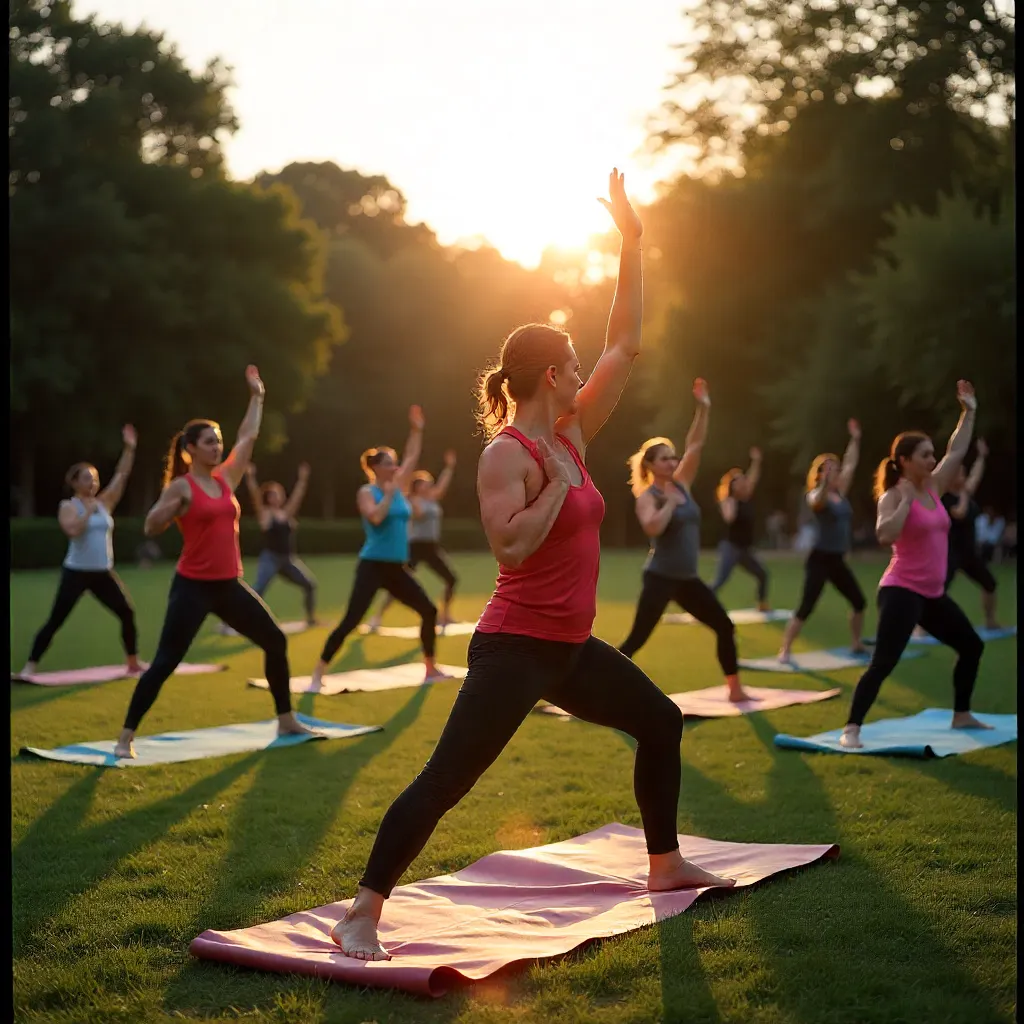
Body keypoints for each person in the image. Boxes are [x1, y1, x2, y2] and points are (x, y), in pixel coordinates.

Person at [329, 169, 735, 963]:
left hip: (570, 647)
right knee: (448, 782)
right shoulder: (508, 456)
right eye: (574, 363)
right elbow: (511, 546)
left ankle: (664, 865)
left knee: (660, 720)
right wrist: (552, 485)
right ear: (551, 375)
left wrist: (633, 241)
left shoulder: (576, 435)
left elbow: (627, 340)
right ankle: (362, 913)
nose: (586, 370)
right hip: (513, 648)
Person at [114, 366, 316, 759]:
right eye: (208, 442)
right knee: (167, 662)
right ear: (190, 448)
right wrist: (167, 509)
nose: (216, 447)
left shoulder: (226, 479)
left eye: (217, 441)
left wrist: (257, 397)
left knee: (275, 641)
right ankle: (125, 737)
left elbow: (248, 436)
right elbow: (151, 526)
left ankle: (286, 719)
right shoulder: (181, 486)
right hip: (193, 587)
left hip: (228, 586)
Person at [840, 380, 990, 749]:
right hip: (901, 591)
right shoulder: (893, 495)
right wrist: (906, 502)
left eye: (931, 454)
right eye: (924, 455)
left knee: (972, 645)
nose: (932, 459)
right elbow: (884, 534)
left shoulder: (936, 487)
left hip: (933, 593)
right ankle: (851, 729)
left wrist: (968, 412)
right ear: (904, 461)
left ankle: (961, 714)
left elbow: (958, 449)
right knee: (885, 662)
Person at [618, 379, 752, 702]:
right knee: (636, 640)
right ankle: (597, 685)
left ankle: (734, 689)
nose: (672, 462)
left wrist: (703, 409)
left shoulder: (682, 485)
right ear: (650, 465)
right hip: (660, 577)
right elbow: (652, 528)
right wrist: (670, 508)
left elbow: (696, 445)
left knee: (724, 625)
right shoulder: (647, 496)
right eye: (664, 459)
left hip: (688, 579)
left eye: (672, 458)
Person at [311, 406, 451, 687]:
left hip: (396, 567)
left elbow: (412, 456)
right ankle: (318, 673)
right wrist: (387, 496)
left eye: (395, 463)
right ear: (375, 468)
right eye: (389, 463)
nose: (396, 467)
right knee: (351, 620)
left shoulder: (397, 487)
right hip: (373, 565)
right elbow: (375, 518)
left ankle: (430, 667)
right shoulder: (368, 492)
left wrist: (417, 430)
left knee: (428, 610)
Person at [17, 426, 142, 679]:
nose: (93, 482)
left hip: (103, 573)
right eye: (87, 478)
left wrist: (130, 448)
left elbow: (122, 474)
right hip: (76, 573)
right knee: (56, 620)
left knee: (126, 612)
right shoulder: (68, 506)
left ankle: (133, 663)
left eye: (95, 478)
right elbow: (73, 531)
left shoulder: (105, 503)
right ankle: (29, 667)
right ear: (74, 482)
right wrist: (88, 511)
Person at [778, 419, 867, 663]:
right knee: (807, 606)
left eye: (835, 469)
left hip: (837, 559)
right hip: (819, 559)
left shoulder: (840, 493)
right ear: (819, 474)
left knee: (859, 601)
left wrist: (855, 439)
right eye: (828, 470)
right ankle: (785, 648)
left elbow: (851, 463)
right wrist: (825, 479)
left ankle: (856, 642)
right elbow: (818, 501)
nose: (835, 472)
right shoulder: (815, 495)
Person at [365, 450, 459, 633]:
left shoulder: (431, 499)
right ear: (416, 487)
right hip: (415, 547)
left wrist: (449, 468)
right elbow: (419, 514)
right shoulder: (412, 500)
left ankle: (445, 615)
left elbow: (441, 488)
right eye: (425, 484)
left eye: (429, 484)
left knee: (451, 579)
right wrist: (413, 499)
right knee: (399, 584)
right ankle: (377, 617)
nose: (429, 487)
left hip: (431, 547)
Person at [245, 461, 318, 627]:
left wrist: (303, 480)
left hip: (288, 560)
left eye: (279, 493)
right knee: (258, 590)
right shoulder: (265, 515)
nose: (277, 496)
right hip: (270, 559)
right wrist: (250, 478)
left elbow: (297, 498)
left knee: (310, 585)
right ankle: (235, 622)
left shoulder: (285, 514)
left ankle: (311, 619)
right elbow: (255, 497)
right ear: (268, 498)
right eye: (273, 494)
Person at [941, 439, 1000, 631]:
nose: (964, 476)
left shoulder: (965, 492)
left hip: (969, 554)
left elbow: (976, 474)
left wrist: (982, 457)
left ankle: (990, 620)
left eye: (964, 472)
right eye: (960, 473)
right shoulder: (945, 498)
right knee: (935, 592)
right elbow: (959, 514)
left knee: (990, 584)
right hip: (950, 554)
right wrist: (965, 494)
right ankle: (920, 627)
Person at [711, 449, 770, 609]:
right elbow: (729, 518)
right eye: (738, 481)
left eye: (743, 480)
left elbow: (753, 477)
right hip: (730, 547)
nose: (743, 483)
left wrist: (756, 461)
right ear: (731, 485)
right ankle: (700, 603)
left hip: (744, 549)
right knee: (720, 580)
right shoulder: (728, 501)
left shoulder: (746, 498)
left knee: (762, 574)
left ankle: (762, 603)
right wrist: (732, 502)